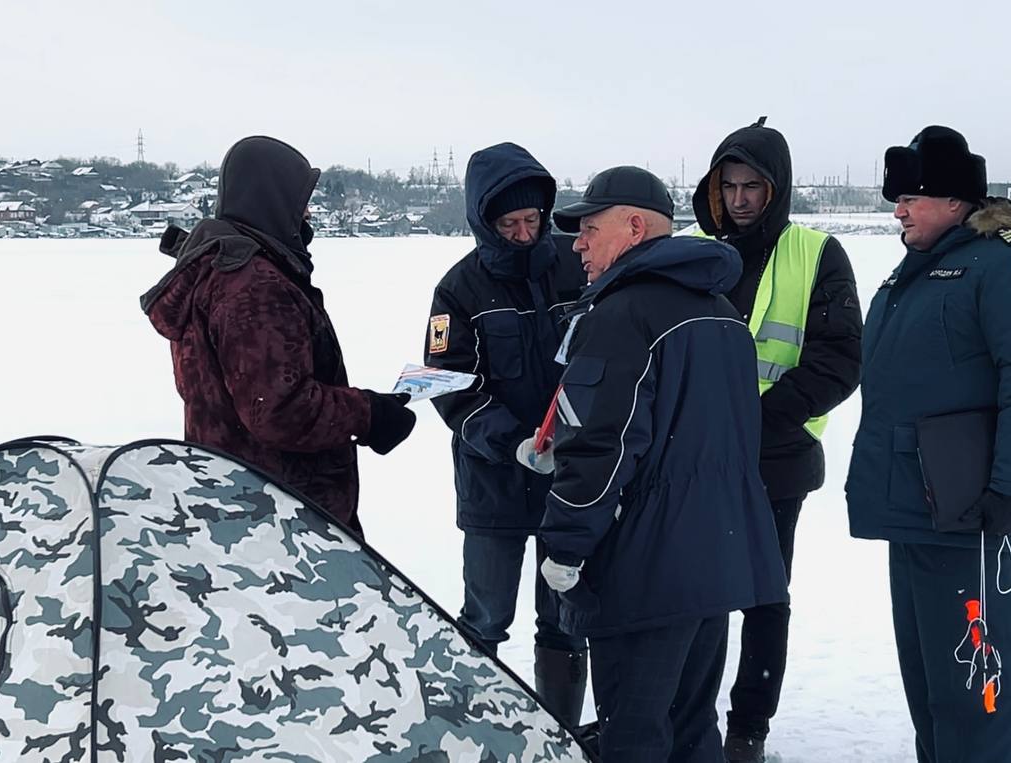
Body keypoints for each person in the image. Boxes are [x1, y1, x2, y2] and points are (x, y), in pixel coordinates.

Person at [537, 165, 789, 761]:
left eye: (589, 229)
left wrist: (565, 548)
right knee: (691, 728)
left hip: (646, 567)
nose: (577, 245)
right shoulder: (722, 313)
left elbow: (604, 448)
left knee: (635, 734)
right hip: (716, 558)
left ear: (633, 227)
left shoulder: (621, 316)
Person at [845, 125, 1011, 762]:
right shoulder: (919, 269)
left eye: (910, 199)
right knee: (932, 693)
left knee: (977, 698)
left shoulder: (1008, 266)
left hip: (973, 517)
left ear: (954, 200)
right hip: (915, 510)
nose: (898, 211)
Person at [690, 118, 863, 762]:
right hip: (694, 458)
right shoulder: (691, 250)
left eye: (752, 187)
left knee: (765, 599)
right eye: (728, 186)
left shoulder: (816, 254)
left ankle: (748, 731)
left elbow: (838, 360)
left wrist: (757, 421)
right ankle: (690, 723)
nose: (738, 200)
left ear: (776, 189)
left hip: (777, 459)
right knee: (695, 594)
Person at [142, 135, 415, 535]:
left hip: (231, 500)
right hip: (281, 517)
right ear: (271, 200)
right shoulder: (252, 285)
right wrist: (369, 413)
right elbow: (277, 411)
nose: (307, 214)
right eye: (301, 202)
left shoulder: (218, 268)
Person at [423, 142, 589, 724]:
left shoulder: (575, 263)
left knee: (566, 621)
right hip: (493, 484)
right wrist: (512, 442)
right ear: (483, 222)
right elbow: (447, 385)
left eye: (531, 220)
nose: (523, 234)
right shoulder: (458, 290)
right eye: (508, 224)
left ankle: (562, 734)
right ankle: (474, 734)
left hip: (571, 484)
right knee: (485, 618)